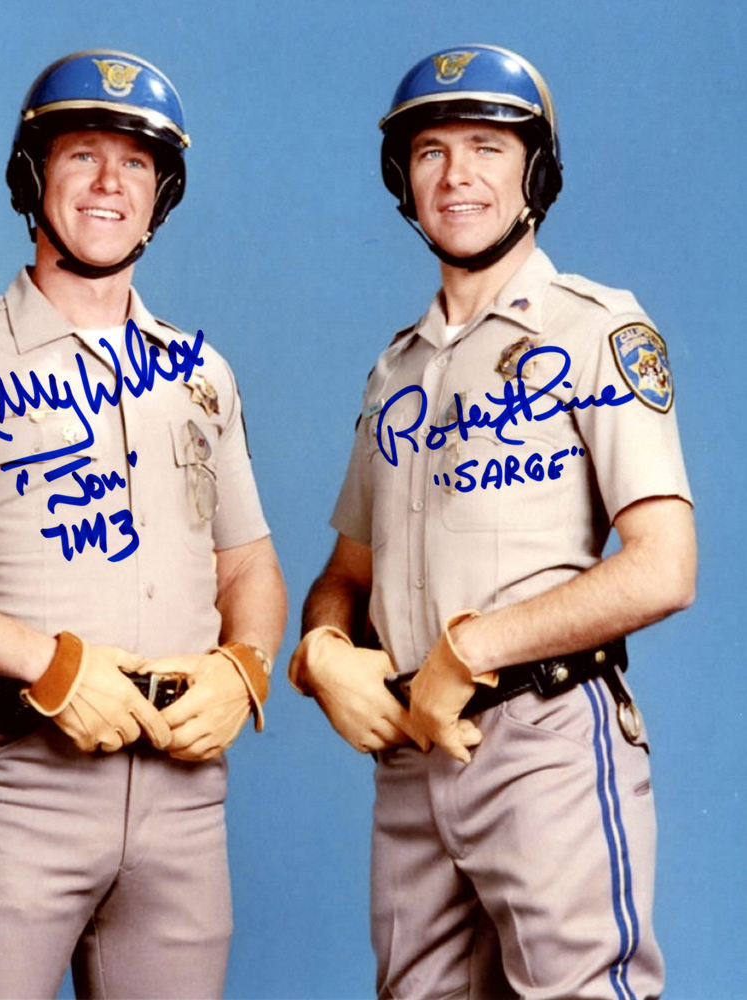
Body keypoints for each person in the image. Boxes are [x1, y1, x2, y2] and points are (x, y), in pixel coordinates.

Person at [0, 50, 286, 999]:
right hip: (22, 778)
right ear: (33, 176)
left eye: (135, 163)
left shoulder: (201, 373)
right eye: (83, 156)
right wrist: (45, 664)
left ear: (161, 193)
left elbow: (249, 562)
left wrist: (247, 666)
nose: (110, 183)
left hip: (185, 789)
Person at [291, 44, 695, 1000]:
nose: (456, 175)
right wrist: (322, 652)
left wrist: (471, 648)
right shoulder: (395, 370)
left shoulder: (595, 327)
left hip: (542, 730)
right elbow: (345, 575)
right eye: (431, 152)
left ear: (534, 173)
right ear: (404, 180)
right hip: (411, 751)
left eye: (486, 147)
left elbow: (664, 567)